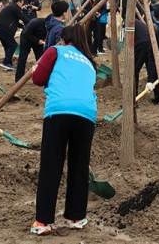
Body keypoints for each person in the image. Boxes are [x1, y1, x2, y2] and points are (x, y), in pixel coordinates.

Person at [30, 24, 97, 235]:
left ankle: (43, 222)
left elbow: (38, 79)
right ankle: (75, 217)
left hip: (59, 110)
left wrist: (35, 69)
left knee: (52, 164)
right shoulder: (90, 62)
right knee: (79, 165)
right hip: (87, 115)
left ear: (64, 39)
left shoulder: (55, 51)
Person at [0, 0, 28, 70]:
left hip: (0, 29)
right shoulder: (15, 8)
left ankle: (8, 63)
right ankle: (6, 62)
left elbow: (15, 21)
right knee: (13, 45)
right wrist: (31, 23)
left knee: (8, 46)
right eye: (22, 3)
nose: (22, 6)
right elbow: (22, 18)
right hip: (5, 29)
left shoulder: (11, 7)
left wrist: (22, 26)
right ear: (18, 2)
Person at [15, 17, 46, 82]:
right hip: (26, 39)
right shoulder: (35, 22)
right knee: (22, 58)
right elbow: (26, 33)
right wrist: (37, 41)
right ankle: (19, 79)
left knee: (41, 59)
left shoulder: (52, 26)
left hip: (38, 41)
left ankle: (40, 78)